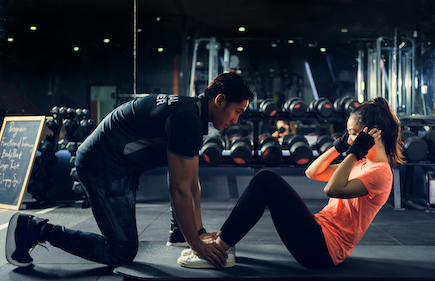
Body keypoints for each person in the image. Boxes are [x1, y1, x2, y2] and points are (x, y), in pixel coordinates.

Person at [5, 72, 255, 268]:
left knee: (175, 199)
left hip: (120, 166)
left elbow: (191, 182)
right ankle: (34, 229)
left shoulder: (193, 113)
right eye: (237, 112)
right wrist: (196, 246)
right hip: (101, 165)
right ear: (220, 100)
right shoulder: (186, 119)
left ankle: (180, 230)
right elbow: (178, 189)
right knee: (121, 251)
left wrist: (198, 233)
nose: (236, 120)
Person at [177, 96, 405, 269]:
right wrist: (339, 147)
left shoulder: (381, 173)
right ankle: (223, 240)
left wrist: (354, 152)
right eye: (349, 134)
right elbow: (313, 172)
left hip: (323, 250)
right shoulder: (362, 164)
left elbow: (332, 189)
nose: (350, 139)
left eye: (354, 133)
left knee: (266, 180)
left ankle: (218, 250)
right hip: (318, 234)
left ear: (374, 134)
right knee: (265, 180)